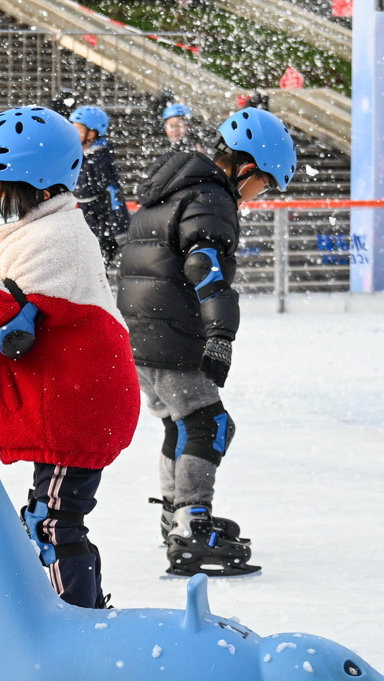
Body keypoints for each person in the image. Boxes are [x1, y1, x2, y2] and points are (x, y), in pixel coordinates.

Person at [0, 106, 140, 609]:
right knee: (55, 517)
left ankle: (77, 622)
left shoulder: (54, 238)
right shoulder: (47, 228)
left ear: (36, 187)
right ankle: (85, 608)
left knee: (52, 523)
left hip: (80, 409)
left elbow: (1, 322)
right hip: (76, 402)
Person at [117, 106, 297, 577]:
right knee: (209, 425)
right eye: (265, 183)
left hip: (141, 331)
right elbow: (203, 265)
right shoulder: (211, 196)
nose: (259, 195)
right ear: (246, 166)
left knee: (180, 424)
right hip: (172, 332)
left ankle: (174, 515)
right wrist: (220, 333)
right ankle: (192, 526)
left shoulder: (169, 189)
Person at [67, 106, 130, 264]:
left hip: (101, 227)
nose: (73, 133)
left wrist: (118, 230)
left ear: (92, 133)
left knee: (96, 271)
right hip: (84, 223)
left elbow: (113, 194)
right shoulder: (81, 155)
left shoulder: (99, 160)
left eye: (78, 129)